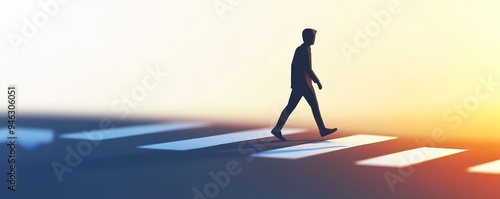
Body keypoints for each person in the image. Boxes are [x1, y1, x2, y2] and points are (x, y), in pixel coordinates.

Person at [271, 28, 337, 141]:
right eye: (313, 37)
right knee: (311, 107)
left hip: (301, 84)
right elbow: (308, 68)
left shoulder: (303, 49)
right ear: (308, 38)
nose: (314, 39)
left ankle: (277, 129)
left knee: (292, 107)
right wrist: (317, 81)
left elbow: (295, 67)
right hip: (304, 85)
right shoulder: (304, 50)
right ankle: (322, 129)